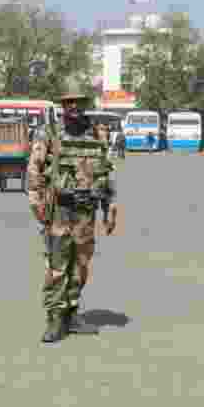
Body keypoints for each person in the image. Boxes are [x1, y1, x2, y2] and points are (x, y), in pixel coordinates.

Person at [27, 83, 119, 344]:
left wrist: (109, 209)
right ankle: (55, 317)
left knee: (80, 265)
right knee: (57, 266)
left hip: (85, 213)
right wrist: (39, 209)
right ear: (62, 105)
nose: (74, 106)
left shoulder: (96, 135)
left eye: (79, 101)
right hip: (59, 211)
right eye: (69, 102)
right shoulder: (50, 134)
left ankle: (72, 312)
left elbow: (106, 173)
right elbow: (34, 174)